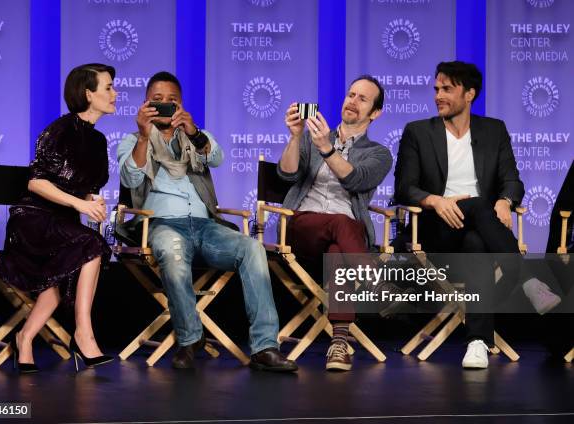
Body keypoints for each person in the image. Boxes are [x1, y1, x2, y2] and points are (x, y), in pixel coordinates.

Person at [117, 71, 297, 372]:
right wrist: (145, 135)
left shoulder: (195, 136)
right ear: (146, 103)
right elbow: (130, 176)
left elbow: (216, 158)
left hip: (205, 226)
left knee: (252, 248)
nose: (164, 105)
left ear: (181, 104)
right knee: (173, 255)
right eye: (156, 100)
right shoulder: (132, 140)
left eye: (171, 100)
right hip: (162, 225)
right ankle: (190, 339)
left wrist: (194, 132)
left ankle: (265, 347)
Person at [394, 61, 561, 369]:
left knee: (476, 244)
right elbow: (404, 188)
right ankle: (526, 278)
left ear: (469, 94)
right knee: (476, 206)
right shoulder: (418, 132)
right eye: (436, 89)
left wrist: (505, 200)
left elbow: (512, 180)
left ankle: (476, 344)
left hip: (481, 234)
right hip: (435, 231)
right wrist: (434, 200)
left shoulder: (493, 130)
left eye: (447, 89)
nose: (438, 96)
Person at [0, 63, 117, 373]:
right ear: (88, 94)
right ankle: (83, 333)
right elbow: (35, 182)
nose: (115, 93)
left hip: (63, 224)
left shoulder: (99, 141)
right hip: (33, 220)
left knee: (51, 289)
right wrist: (79, 204)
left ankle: (23, 339)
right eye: (108, 87)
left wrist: (92, 201)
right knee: (92, 245)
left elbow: (80, 189)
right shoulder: (60, 129)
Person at [277, 75, 392, 371]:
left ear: (375, 113)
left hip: (344, 237)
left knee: (338, 251)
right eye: (351, 94)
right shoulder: (310, 138)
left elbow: (355, 180)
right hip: (301, 227)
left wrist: (326, 148)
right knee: (340, 224)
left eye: (362, 98)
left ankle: (339, 342)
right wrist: (294, 137)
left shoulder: (378, 153)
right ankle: (375, 283)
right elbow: (288, 176)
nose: (352, 101)